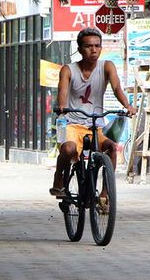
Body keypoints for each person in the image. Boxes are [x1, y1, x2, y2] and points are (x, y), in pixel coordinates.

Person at [51, 28, 137, 198]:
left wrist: (128, 106)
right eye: (89, 46)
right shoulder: (68, 69)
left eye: (97, 46)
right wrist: (62, 106)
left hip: (96, 126)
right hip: (72, 125)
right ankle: (58, 178)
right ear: (80, 48)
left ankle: (106, 193)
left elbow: (117, 88)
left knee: (111, 148)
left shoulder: (107, 66)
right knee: (68, 149)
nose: (94, 50)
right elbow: (62, 92)